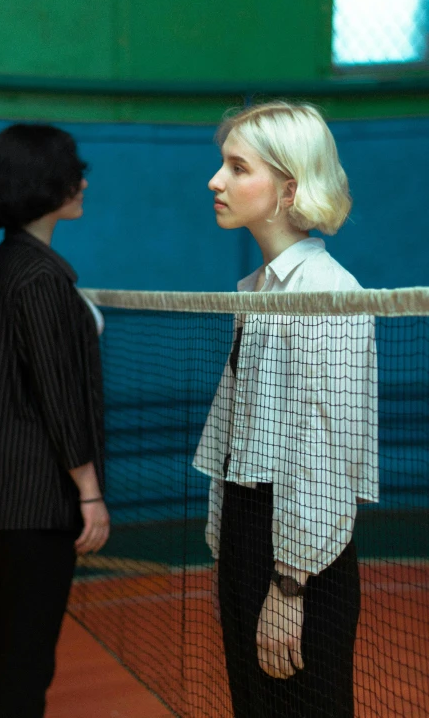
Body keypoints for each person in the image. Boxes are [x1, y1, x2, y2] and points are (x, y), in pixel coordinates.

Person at [193, 102, 378, 717]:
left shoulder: (328, 295)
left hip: (297, 559)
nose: (216, 182)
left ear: (288, 187)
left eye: (236, 167)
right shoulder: (262, 290)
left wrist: (289, 585)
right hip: (251, 541)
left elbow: (326, 459)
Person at [0, 124, 109, 718]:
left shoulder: (13, 257)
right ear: (42, 183)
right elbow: (59, 395)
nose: (83, 181)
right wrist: (90, 493)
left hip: (11, 496)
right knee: (25, 662)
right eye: (72, 170)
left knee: (20, 656)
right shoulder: (40, 276)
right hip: (36, 500)